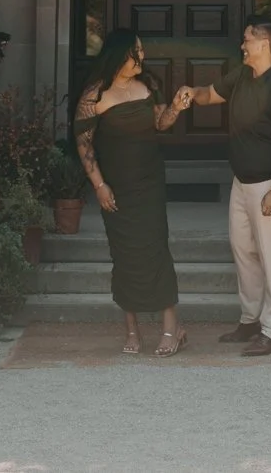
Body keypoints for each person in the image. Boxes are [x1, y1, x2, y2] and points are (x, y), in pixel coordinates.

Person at [180, 18, 271, 356]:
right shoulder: (242, 76)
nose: (242, 45)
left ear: (264, 44)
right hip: (242, 182)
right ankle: (250, 319)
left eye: (247, 39)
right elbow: (211, 94)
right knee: (243, 250)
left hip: (270, 184)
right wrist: (191, 93)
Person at [73, 28, 192, 356]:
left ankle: (172, 328)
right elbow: (84, 145)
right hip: (116, 188)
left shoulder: (148, 85)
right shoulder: (93, 96)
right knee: (124, 255)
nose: (143, 57)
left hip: (149, 183)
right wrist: (98, 185)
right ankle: (132, 331)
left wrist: (178, 108)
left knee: (156, 250)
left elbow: (160, 123)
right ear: (120, 55)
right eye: (137, 52)